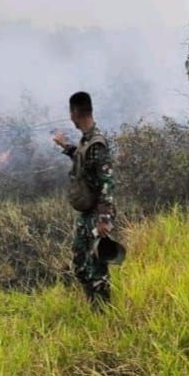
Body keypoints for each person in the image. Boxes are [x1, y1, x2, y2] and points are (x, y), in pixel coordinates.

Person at [54, 91, 117, 307]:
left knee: (97, 267)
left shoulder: (97, 143)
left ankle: (103, 313)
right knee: (81, 264)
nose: (70, 117)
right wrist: (65, 146)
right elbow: (83, 163)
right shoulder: (86, 141)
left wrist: (104, 219)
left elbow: (107, 182)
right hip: (86, 213)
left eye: (70, 113)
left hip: (96, 214)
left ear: (74, 112)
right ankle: (92, 306)